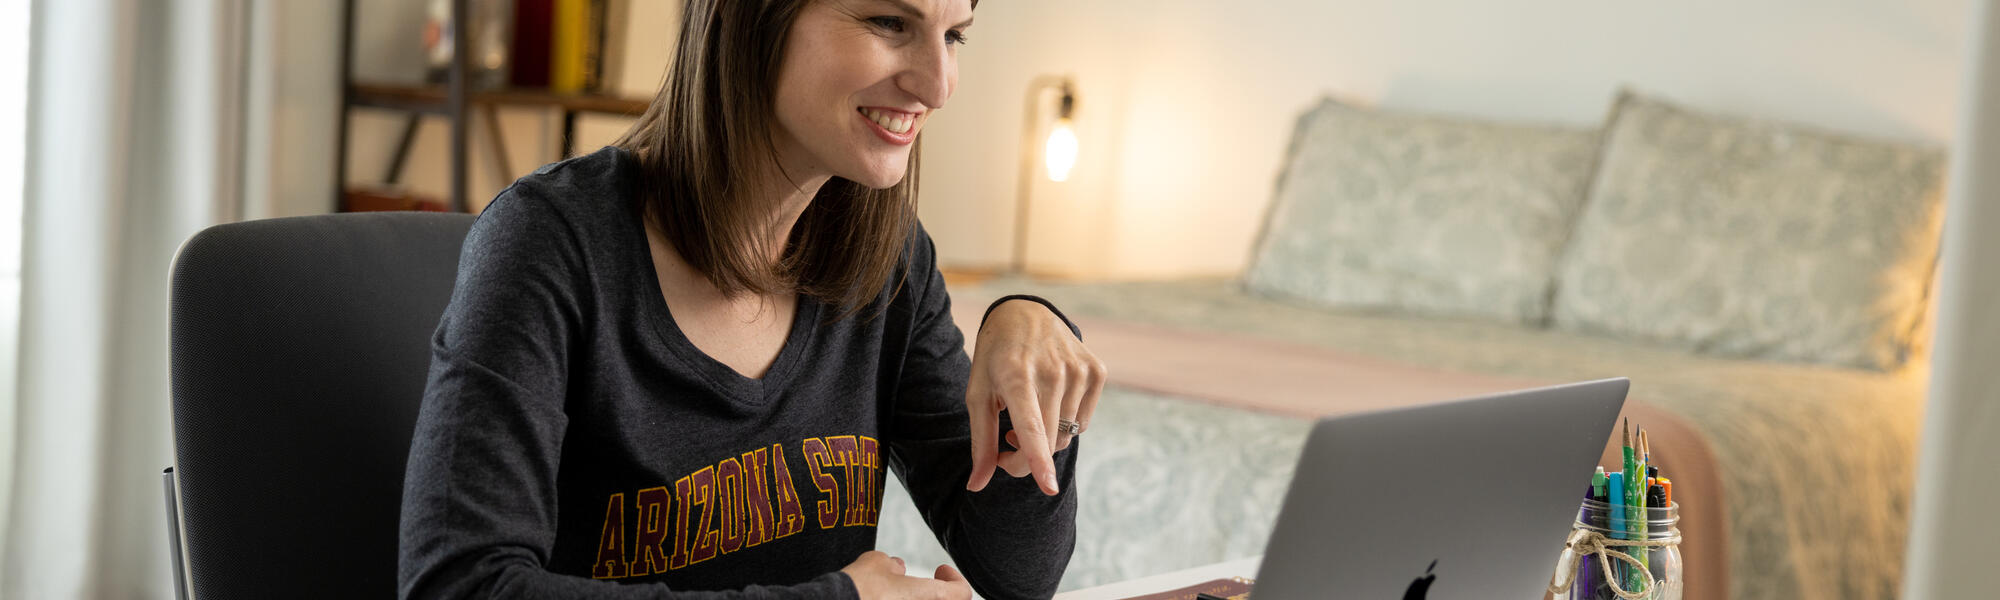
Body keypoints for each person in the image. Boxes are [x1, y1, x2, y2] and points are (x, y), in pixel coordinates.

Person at [396, 0, 1104, 598]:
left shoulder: (889, 262)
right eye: (890, 22)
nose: (939, 84)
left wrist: (1029, 346)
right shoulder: (549, 242)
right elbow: (460, 584)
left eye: (954, 35)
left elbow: (1018, 574)